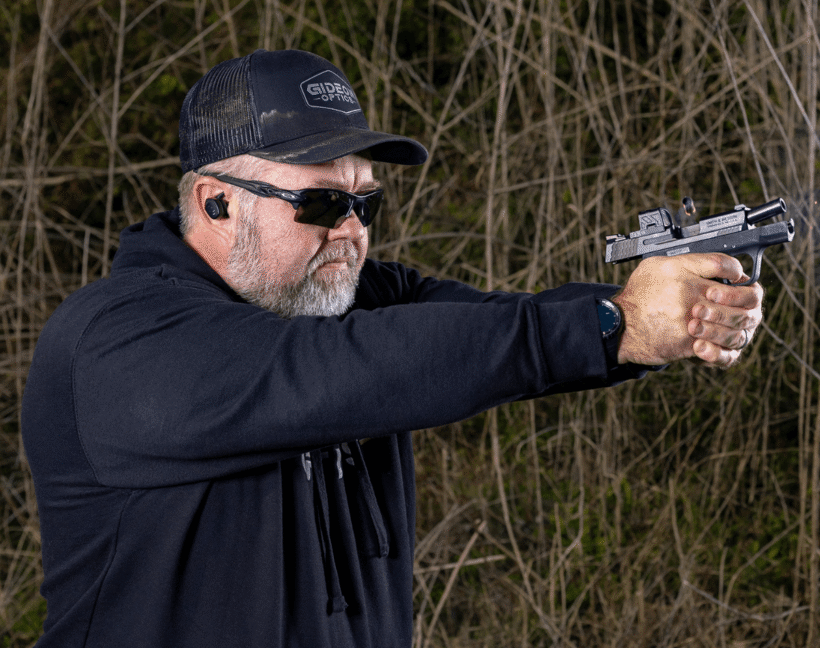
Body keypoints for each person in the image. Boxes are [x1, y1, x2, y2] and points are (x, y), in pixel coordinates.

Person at [21, 49, 763, 647]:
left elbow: (495, 329)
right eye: (320, 203)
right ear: (218, 203)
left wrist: (639, 320)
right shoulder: (116, 337)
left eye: (364, 202)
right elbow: (340, 370)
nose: (351, 229)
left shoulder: (354, 296)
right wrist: (624, 322)